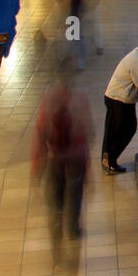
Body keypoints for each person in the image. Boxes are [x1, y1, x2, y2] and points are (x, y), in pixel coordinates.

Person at [32, 67, 90, 252]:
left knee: (55, 195)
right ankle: (71, 229)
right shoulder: (79, 100)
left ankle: (57, 221)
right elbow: (86, 132)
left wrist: (36, 165)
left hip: (54, 158)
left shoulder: (47, 101)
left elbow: (40, 133)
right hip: (74, 158)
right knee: (74, 194)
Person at [101, 36, 138, 173]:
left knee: (113, 131)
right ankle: (110, 160)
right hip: (119, 100)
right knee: (128, 129)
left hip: (115, 97)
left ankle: (107, 160)